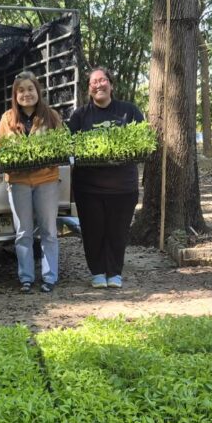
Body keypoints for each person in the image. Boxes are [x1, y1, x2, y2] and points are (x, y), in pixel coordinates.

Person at [66, 67, 145, 289]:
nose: (98, 85)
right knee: (93, 231)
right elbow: (68, 145)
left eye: (102, 80)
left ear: (111, 84)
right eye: (94, 82)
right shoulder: (80, 115)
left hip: (123, 187)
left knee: (118, 232)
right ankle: (98, 272)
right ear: (89, 89)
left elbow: (143, 139)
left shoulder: (129, 111)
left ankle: (114, 272)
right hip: (88, 188)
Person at [0, 71, 63, 294]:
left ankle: (50, 277)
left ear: (37, 91)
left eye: (30, 89)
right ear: (15, 95)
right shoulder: (7, 119)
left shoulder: (51, 116)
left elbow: (63, 145)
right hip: (18, 182)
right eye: (21, 90)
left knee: (48, 230)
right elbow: (0, 149)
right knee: (23, 232)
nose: (26, 94)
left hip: (47, 180)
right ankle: (26, 278)